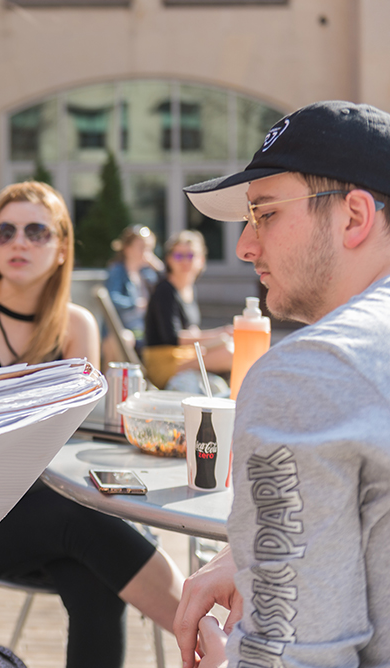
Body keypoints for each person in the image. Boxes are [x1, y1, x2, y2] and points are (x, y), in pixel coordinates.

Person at [0, 181, 184, 668]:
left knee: (95, 580)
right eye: (5, 231)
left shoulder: (76, 326)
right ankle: (214, 635)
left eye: (37, 231)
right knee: (89, 524)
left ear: (61, 248)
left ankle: (211, 632)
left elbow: (71, 440)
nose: (19, 242)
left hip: (47, 514)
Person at [172, 100, 390, 668]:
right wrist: (253, 555)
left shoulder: (311, 370)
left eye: (264, 213)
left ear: (354, 217)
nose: (245, 246)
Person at [142, 229, 233, 389]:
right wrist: (219, 333)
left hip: (185, 357)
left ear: (201, 260)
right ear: (169, 259)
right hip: (165, 364)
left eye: (190, 256)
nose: (185, 261)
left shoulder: (189, 289)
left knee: (231, 349)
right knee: (229, 353)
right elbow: (172, 338)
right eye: (179, 256)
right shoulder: (165, 290)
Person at [102, 224, 163, 361]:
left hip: (144, 331)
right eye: (142, 247)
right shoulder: (117, 271)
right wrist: (135, 304)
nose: (146, 253)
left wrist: (158, 267)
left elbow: (167, 287)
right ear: (127, 249)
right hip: (122, 330)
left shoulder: (147, 274)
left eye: (150, 248)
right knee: (125, 339)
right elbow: (111, 299)